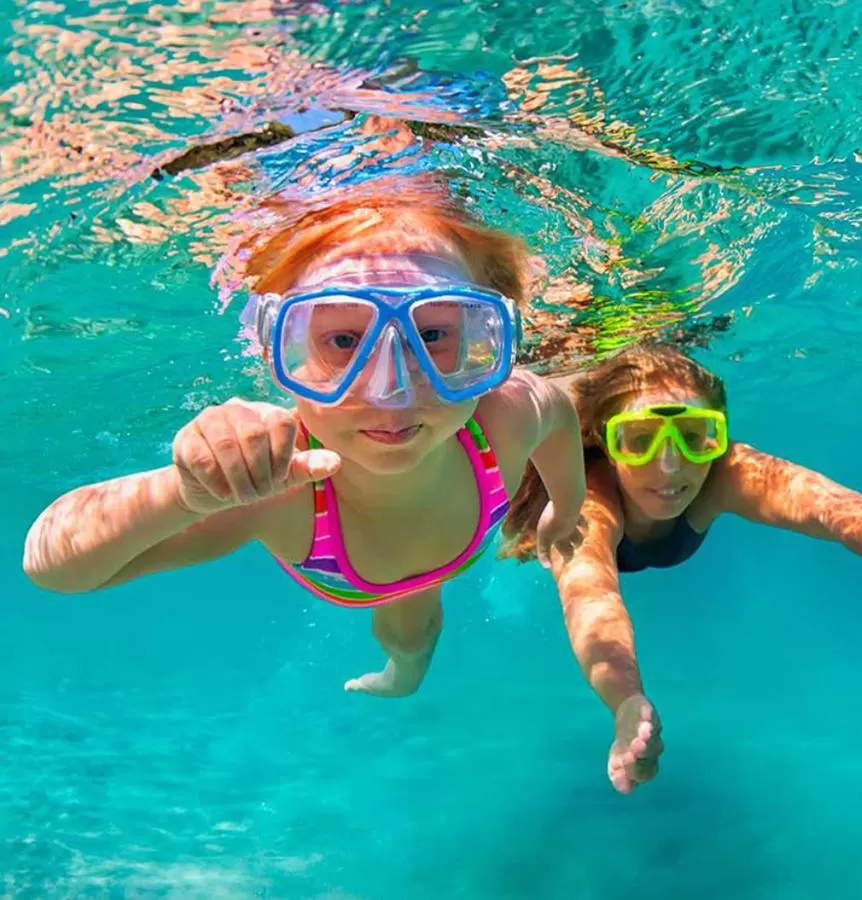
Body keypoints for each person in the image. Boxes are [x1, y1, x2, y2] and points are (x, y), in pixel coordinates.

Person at [23, 177, 587, 698]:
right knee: (408, 625)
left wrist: (565, 508)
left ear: (486, 337)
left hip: (443, 560)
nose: (391, 389)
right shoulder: (276, 488)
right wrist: (186, 493)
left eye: (434, 333)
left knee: (417, 626)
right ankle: (402, 676)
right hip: (352, 571)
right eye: (343, 341)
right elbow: (53, 565)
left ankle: (404, 675)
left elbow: (560, 417)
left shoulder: (507, 412)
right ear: (278, 352)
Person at [501, 342, 862, 793]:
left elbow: (834, 510)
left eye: (695, 436)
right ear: (607, 444)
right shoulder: (585, 502)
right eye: (639, 440)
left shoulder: (726, 474)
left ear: (720, 438)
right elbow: (591, 598)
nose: (670, 466)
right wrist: (624, 701)